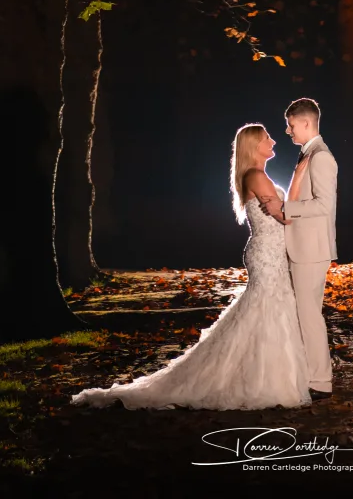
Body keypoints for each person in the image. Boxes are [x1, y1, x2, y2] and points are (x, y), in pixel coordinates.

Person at [70, 124, 311, 411]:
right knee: (267, 308)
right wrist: (298, 175)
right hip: (267, 253)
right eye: (266, 138)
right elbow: (285, 216)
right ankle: (263, 382)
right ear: (253, 146)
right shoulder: (255, 175)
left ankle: (272, 375)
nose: (273, 140)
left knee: (269, 309)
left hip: (271, 252)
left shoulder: (259, 175)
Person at [259, 98, 338, 400]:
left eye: (291, 125)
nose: (287, 130)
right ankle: (312, 375)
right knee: (304, 313)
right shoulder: (310, 153)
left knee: (309, 315)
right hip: (303, 247)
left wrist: (285, 208)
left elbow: (324, 205)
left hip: (312, 249)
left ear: (305, 123)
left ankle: (321, 381)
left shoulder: (321, 157)